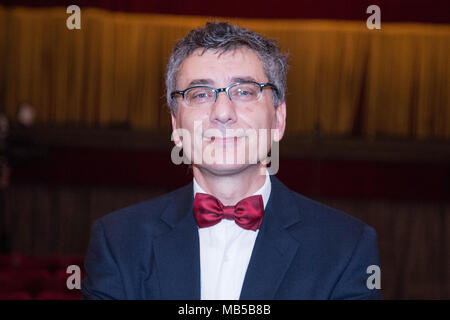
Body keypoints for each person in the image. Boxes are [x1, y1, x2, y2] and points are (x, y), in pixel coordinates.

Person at [81, 22, 382, 300]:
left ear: (278, 119)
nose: (222, 112)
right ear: (176, 127)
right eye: (200, 94)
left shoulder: (346, 246)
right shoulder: (117, 241)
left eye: (244, 91)